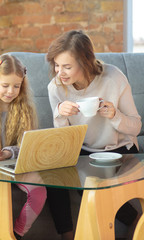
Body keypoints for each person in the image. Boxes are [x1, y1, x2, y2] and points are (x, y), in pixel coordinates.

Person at [46, 30, 142, 240]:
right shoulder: (56, 88)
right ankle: (68, 236)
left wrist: (115, 115)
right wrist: (60, 114)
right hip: (83, 150)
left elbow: (136, 127)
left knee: (92, 182)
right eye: (56, 65)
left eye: (67, 66)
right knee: (54, 174)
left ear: (85, 62)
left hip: (118, 148)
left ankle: (135, 220)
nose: (60, 72)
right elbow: (64, 140)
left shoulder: (113, 77)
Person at [0, 54, 47, 239]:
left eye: (16, 86)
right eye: (5, 86)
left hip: (18, 163)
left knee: (39, 192)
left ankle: (16, 234)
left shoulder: (26, 110)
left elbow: (28, 145)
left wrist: (7, 152)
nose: (11, 91)